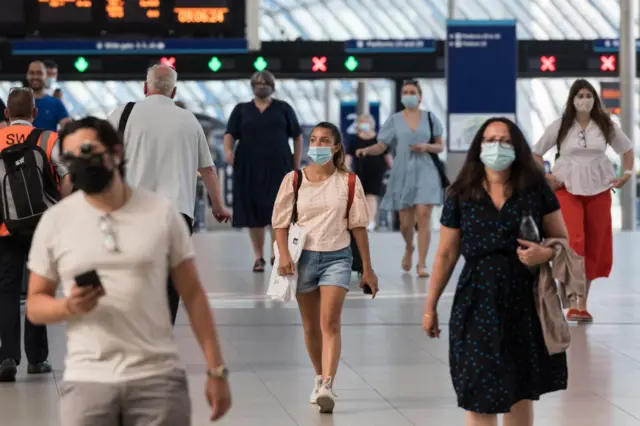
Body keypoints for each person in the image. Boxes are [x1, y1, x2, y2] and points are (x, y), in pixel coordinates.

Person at [26, 117, 232, 425]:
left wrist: (216, 369)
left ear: (116, 153)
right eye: (69, 158)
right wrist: (67, 306)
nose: (79, 163)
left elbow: (193, 295)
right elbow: (35, 304)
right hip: (87, 380)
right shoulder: (56, 221)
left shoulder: (161, 214)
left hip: (157, 378)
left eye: (87, 150)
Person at [422, 117, 569, 426]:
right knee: (479, 391)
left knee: (519, 391)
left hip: (524, 300)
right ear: (479, 147)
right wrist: (430, 307)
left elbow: (562, 240)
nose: (497, 147)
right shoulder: (462, 193)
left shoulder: (535, 190)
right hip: (476, 300)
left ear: (517, 147)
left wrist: (545, 253)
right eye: (490, 140)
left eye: (504, 141)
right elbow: (446, 253)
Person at [108, 64, 231, 326]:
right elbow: (208, 170)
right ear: (173, 92)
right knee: (169, 280)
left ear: (145, 87)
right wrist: (219, 207)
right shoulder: (188, 120)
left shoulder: (123, 114)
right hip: (176, 214)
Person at [272, 122, 378, 414]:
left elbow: (358, 227)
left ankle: (328, 385)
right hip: (302, 259)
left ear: (335, 147)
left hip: (337, 257)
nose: (317, 146)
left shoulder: (349, 182)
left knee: (329, 322)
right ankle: (318, 377)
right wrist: (283, 255)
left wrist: (367, 268)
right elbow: (280, 223)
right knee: (310, 326)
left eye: (324, 141)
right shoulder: (293, 180)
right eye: (314, 140)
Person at [532, 79, 634, 322]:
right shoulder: (561, 126)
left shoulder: (606, 125)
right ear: (572, 99)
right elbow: (535, 152)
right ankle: (570, 295)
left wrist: (627, 175)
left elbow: (627, 150)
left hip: (598, 189)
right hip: (566, 188)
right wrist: (547, 177)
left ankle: (581, 303)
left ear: (595, 99)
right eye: (580, 95)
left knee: (594, 244)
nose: (585, 99)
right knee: (573, 241)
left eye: (589, 95)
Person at [0, 87, 72, 382]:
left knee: (6, 289)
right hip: (42, 228)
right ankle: (37, 358)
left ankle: (7, 356)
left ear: (6, 113)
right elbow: (67, 178)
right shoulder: (49, 138)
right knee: (37, 289)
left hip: (5, 228)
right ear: (35, 113)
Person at [356, 79, 444, 277]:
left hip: (426, 170)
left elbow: (440, 146)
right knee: (405, 223)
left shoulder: (431, 118)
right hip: (403, 172)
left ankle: (422, 263)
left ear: (420, 96)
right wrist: (367, 150)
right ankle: (409, 247)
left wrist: (427, 147)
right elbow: (382, 145)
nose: (408, 95)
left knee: (424, 215)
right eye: (405, 92)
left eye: (412, 91)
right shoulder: (394, 120)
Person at [224, 70, 303, 272]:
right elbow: (230, 133)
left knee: (278, 212)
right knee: (254, 212)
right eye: (257, 83)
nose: (261, 85)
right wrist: (227, 151)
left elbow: (297, 135)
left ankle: (277, 252)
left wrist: (296, 163)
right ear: (252, 86)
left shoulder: (283, 108)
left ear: (272, 86)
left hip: (279, 167)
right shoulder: (241, 110)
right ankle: (258, 256)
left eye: (265, 82)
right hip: (248, 168)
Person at [345, 114, 393, 231]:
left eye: (366, 122)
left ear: (372, 124)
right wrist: (345, 168)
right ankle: (363, 219)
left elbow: (387, 156)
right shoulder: (354, 140)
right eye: (362, 122)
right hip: (360, 172)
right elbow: (348, 156)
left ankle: (370, 221)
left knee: (372, 196)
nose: (364, 124)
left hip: (377, 171)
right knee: (361, 197)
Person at [26, 61, 70, 131]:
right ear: (27, 75)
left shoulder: (56, 103)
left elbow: (66, 127)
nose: (35, 76)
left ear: (45, 76)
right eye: (32, 73)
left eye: (39, 73)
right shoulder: (16, 103)